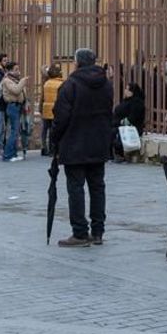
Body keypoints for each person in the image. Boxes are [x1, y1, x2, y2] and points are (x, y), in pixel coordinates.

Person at [52, 47, 114, 247]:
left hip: (74, 143)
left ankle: (80, 232)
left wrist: (55, 139)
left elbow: (60, 117)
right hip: (99, 142)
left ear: (77, 63)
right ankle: (98, 231)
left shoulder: (70, 85)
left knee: (76, 188)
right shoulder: (107, 84)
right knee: (97, 187)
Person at [0, 62, 27, 163]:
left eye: (18, 69)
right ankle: (7, 155)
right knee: (14, 132)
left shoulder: (15, 80)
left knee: (16, 131)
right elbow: (16, 90)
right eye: (15, 69)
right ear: (9, 70)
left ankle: (13, 153)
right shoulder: (7, 80)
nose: (18, 71)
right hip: (12, 106)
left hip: (17, 106)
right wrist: (22, 82)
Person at [113, 81, 147, 163]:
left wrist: (119, 122)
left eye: (127, 89)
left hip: (131, 128)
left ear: (132, 92)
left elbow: (132, 119)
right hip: (120, 124)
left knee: (113, 132)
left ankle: (119, 155)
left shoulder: (137, 103)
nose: (125, 91)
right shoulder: (126, 100)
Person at [40, 65, 63, 156]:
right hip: (56, 110)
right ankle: (53, 150)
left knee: (45, 129)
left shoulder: (46, 83)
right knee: (54, 131)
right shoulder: (60, 84)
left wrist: (41, 108)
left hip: (46, 109)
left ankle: (44, 148)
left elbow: (42, 97)